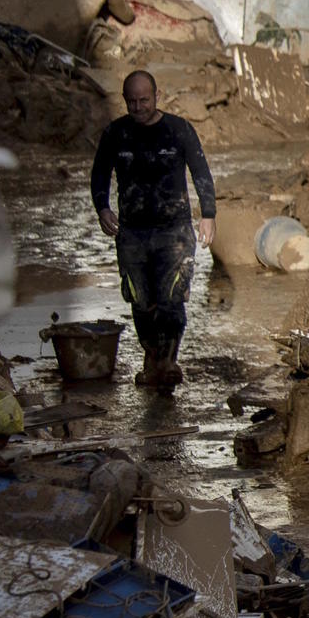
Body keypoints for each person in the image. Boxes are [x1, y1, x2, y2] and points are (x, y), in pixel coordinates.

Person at [91, 69, 216, 389]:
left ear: (156, 96)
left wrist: (208, 215)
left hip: (174, 230)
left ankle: (168, 361)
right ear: (124, 101)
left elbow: (201, 170)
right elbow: (100, 174)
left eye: (144, 100)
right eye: (131, 101)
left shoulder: (178, 130)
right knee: (140, 299)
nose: (138, 107)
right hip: (132, 232)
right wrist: (102, 207)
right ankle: (152, 356)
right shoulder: (115, 134)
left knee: (172, 298)